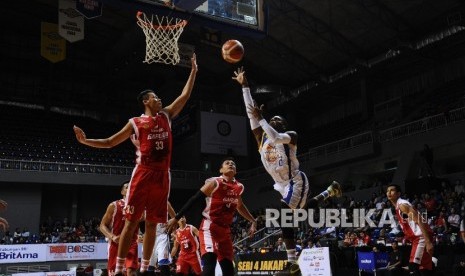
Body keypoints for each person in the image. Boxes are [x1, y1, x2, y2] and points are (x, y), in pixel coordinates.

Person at [73, 54, 198, 275]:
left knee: (152, 225)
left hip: (162, 176)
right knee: (131, 223)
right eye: (155, 97)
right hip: (142, 174)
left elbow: (185, 95)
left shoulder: (166, 115)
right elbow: (111, 142)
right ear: (145, 101)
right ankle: (119, 268)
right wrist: (86, 141)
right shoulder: (136, 122)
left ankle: (144, 268)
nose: (160, 100)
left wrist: (193, 71)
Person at [232, 67, 342, 275]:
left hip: (295, 181)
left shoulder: (290, 136)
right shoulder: (260, 138)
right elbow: (251, 114)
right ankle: (330, 191)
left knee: (284, 213)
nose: (274, 120)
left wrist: (263, 118)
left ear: (283, 125)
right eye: (272, 119)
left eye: (278, 120)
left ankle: (292, 263)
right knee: (298, 213)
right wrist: (245, 86)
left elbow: (274, 136)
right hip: (281, 185)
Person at [167, 157, 257, 276]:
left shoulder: (239, 187)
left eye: (233, 164)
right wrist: (177, 217)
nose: (230, 164)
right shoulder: (215, 183)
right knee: (210, 264)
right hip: (209, 227)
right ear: (221, 170)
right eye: (227, 163)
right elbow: (194, 199)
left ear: (235, 171)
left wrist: (253, 220)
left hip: (225, 231)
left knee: (229, 270)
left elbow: (240, 206)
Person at [386, 184, 434, 275]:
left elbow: (419, 220)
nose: (389, 192)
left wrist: (428, 241)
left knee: (413, 267)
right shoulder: (398, 206)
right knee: (424, 269)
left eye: (392, 190)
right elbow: (410, 224)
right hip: (420, 237)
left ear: (398, 193)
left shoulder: (402, 205)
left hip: (421, 237)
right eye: (388, 191)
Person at [99, 181, 139, 276]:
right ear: (122, 192)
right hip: (115, 243)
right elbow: (102, 225)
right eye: (126, 187)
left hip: (131, 243)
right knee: (115, 273)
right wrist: (112, 237)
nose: (129, 188)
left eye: (131, 187)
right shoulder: (114, 205)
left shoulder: (138, 207)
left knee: (131, 272)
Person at [147, 202, 177, 276]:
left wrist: (174, 231)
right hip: (148, 236)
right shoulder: (145, 200)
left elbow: (175, 218)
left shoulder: (165, 202)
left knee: (163, 263)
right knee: (149, 266)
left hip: (161, 236)